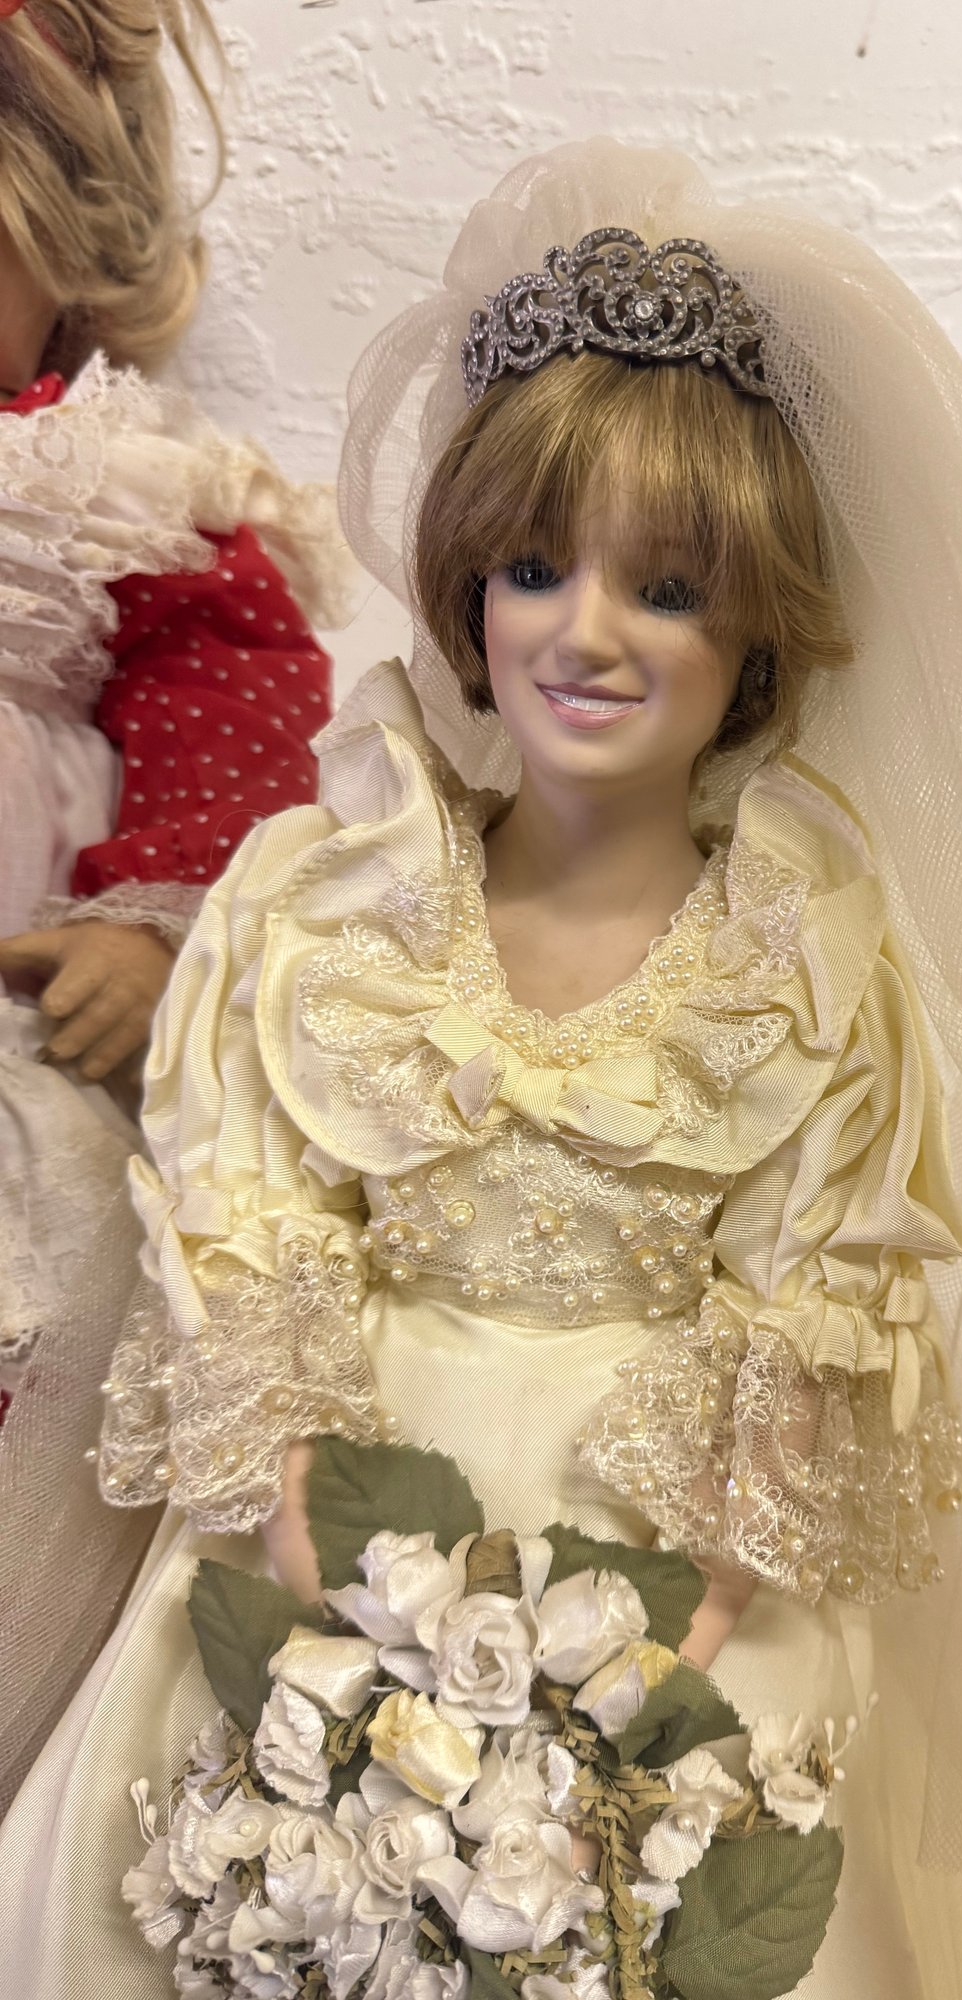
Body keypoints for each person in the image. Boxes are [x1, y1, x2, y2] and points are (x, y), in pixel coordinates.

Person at [0, 140, 962, 1996]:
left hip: (657, 1545)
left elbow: (804, 1310)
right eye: (533, 569)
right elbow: (253, 1236)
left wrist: (637, 1669)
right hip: (339, 1511)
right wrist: (338, 1593)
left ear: (753, 636)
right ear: (468, 593)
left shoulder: (803, 963)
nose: (585, 634)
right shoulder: (318, 915)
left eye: (668, 588)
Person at [0, 0, 351, 1810]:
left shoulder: (105, 485)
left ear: (61, 250)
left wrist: (149, 929)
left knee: (59, 1262)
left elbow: (232, 716)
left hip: (23, 1024)